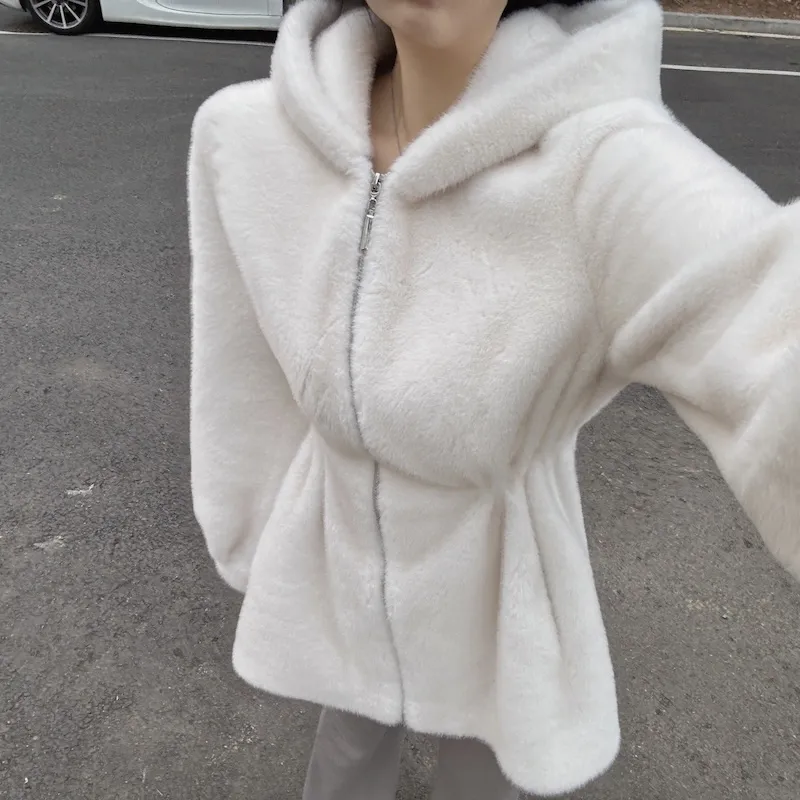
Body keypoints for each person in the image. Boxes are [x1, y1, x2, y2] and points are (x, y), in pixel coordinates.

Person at [187, 0, 800, 797]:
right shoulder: (249, 137)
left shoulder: (599, 165)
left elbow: (759, 311)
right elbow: (241, 373)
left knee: (482, 759)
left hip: (496, 566)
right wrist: (256, 530)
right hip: (338, 541)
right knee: (345, 751)